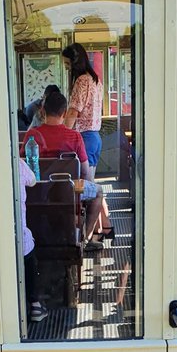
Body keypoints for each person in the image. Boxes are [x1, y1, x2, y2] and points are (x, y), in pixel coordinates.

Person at [22, 89, 112, 249]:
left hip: (37, 192)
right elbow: (84, 171)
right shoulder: (74, 136)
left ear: (42, 111)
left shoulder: (32, 136)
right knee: (98, 192)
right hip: (71, 191)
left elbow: (23, 166)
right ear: (64, 113)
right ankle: (84, 239)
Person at [61, 43, 103, 174]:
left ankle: (99, 194)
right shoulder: (96, 80)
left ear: (75, 63)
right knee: (91, 184)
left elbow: (74, 111)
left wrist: (62, 133)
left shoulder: (82, 81)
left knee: (84, 186)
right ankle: (99, 194)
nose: (67, 68)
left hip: (84, 138)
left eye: (68, 64)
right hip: (95, 137)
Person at [18, 157, 47, 322]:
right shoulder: (17, 164)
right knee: (26, 243)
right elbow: (33, 181)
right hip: (17, 236)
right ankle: (35, 304)